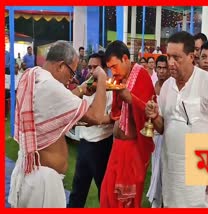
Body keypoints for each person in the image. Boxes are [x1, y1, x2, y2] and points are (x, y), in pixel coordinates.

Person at [8, 41, 108, 208]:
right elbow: (96, 117)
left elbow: (56, 103)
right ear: (61, 66)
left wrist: (82, 89)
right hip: (43, 183)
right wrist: (103, 79)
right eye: (71, 72)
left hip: (28, 174)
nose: (71, 78)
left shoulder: (32, 75)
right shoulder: (51, 86)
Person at [145, 31, 208, 208]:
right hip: (171, 171)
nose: (171, 63)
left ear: (191, 56)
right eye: (168, 57)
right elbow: (162, 128)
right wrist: (155, 116)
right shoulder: (167, 86)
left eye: (177, 57)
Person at [100, 40, 155, 208]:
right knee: (107, 196)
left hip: (132, 150)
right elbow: (117, 114)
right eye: (110, 68)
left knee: (126, 202)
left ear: (125, 58)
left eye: (115, 66)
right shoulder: (121, 78)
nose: (113, 72)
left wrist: (128, 96)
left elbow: (148, 112)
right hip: (117, 147)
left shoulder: (142, 76)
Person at [68, 53, 114, 207]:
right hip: (84, 144)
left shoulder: (112, 89)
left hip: (102, 145)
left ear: (105, 69)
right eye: (90, 67)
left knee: (105, 191)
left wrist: (95, 119)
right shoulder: (85, 87)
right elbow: (73, 108)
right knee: (77, 191)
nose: (92, 71)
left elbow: (112, 117)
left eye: (96, 67)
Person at [146, 55, 170, 208]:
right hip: (154, 132)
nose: (161, 71)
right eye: (159, 68)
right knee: (155, 167)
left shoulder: (171, 87)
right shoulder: (153, 85)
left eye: (164, 68)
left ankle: (162, 201)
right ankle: (156, 199)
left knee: (164, 169)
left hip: (167, 134)